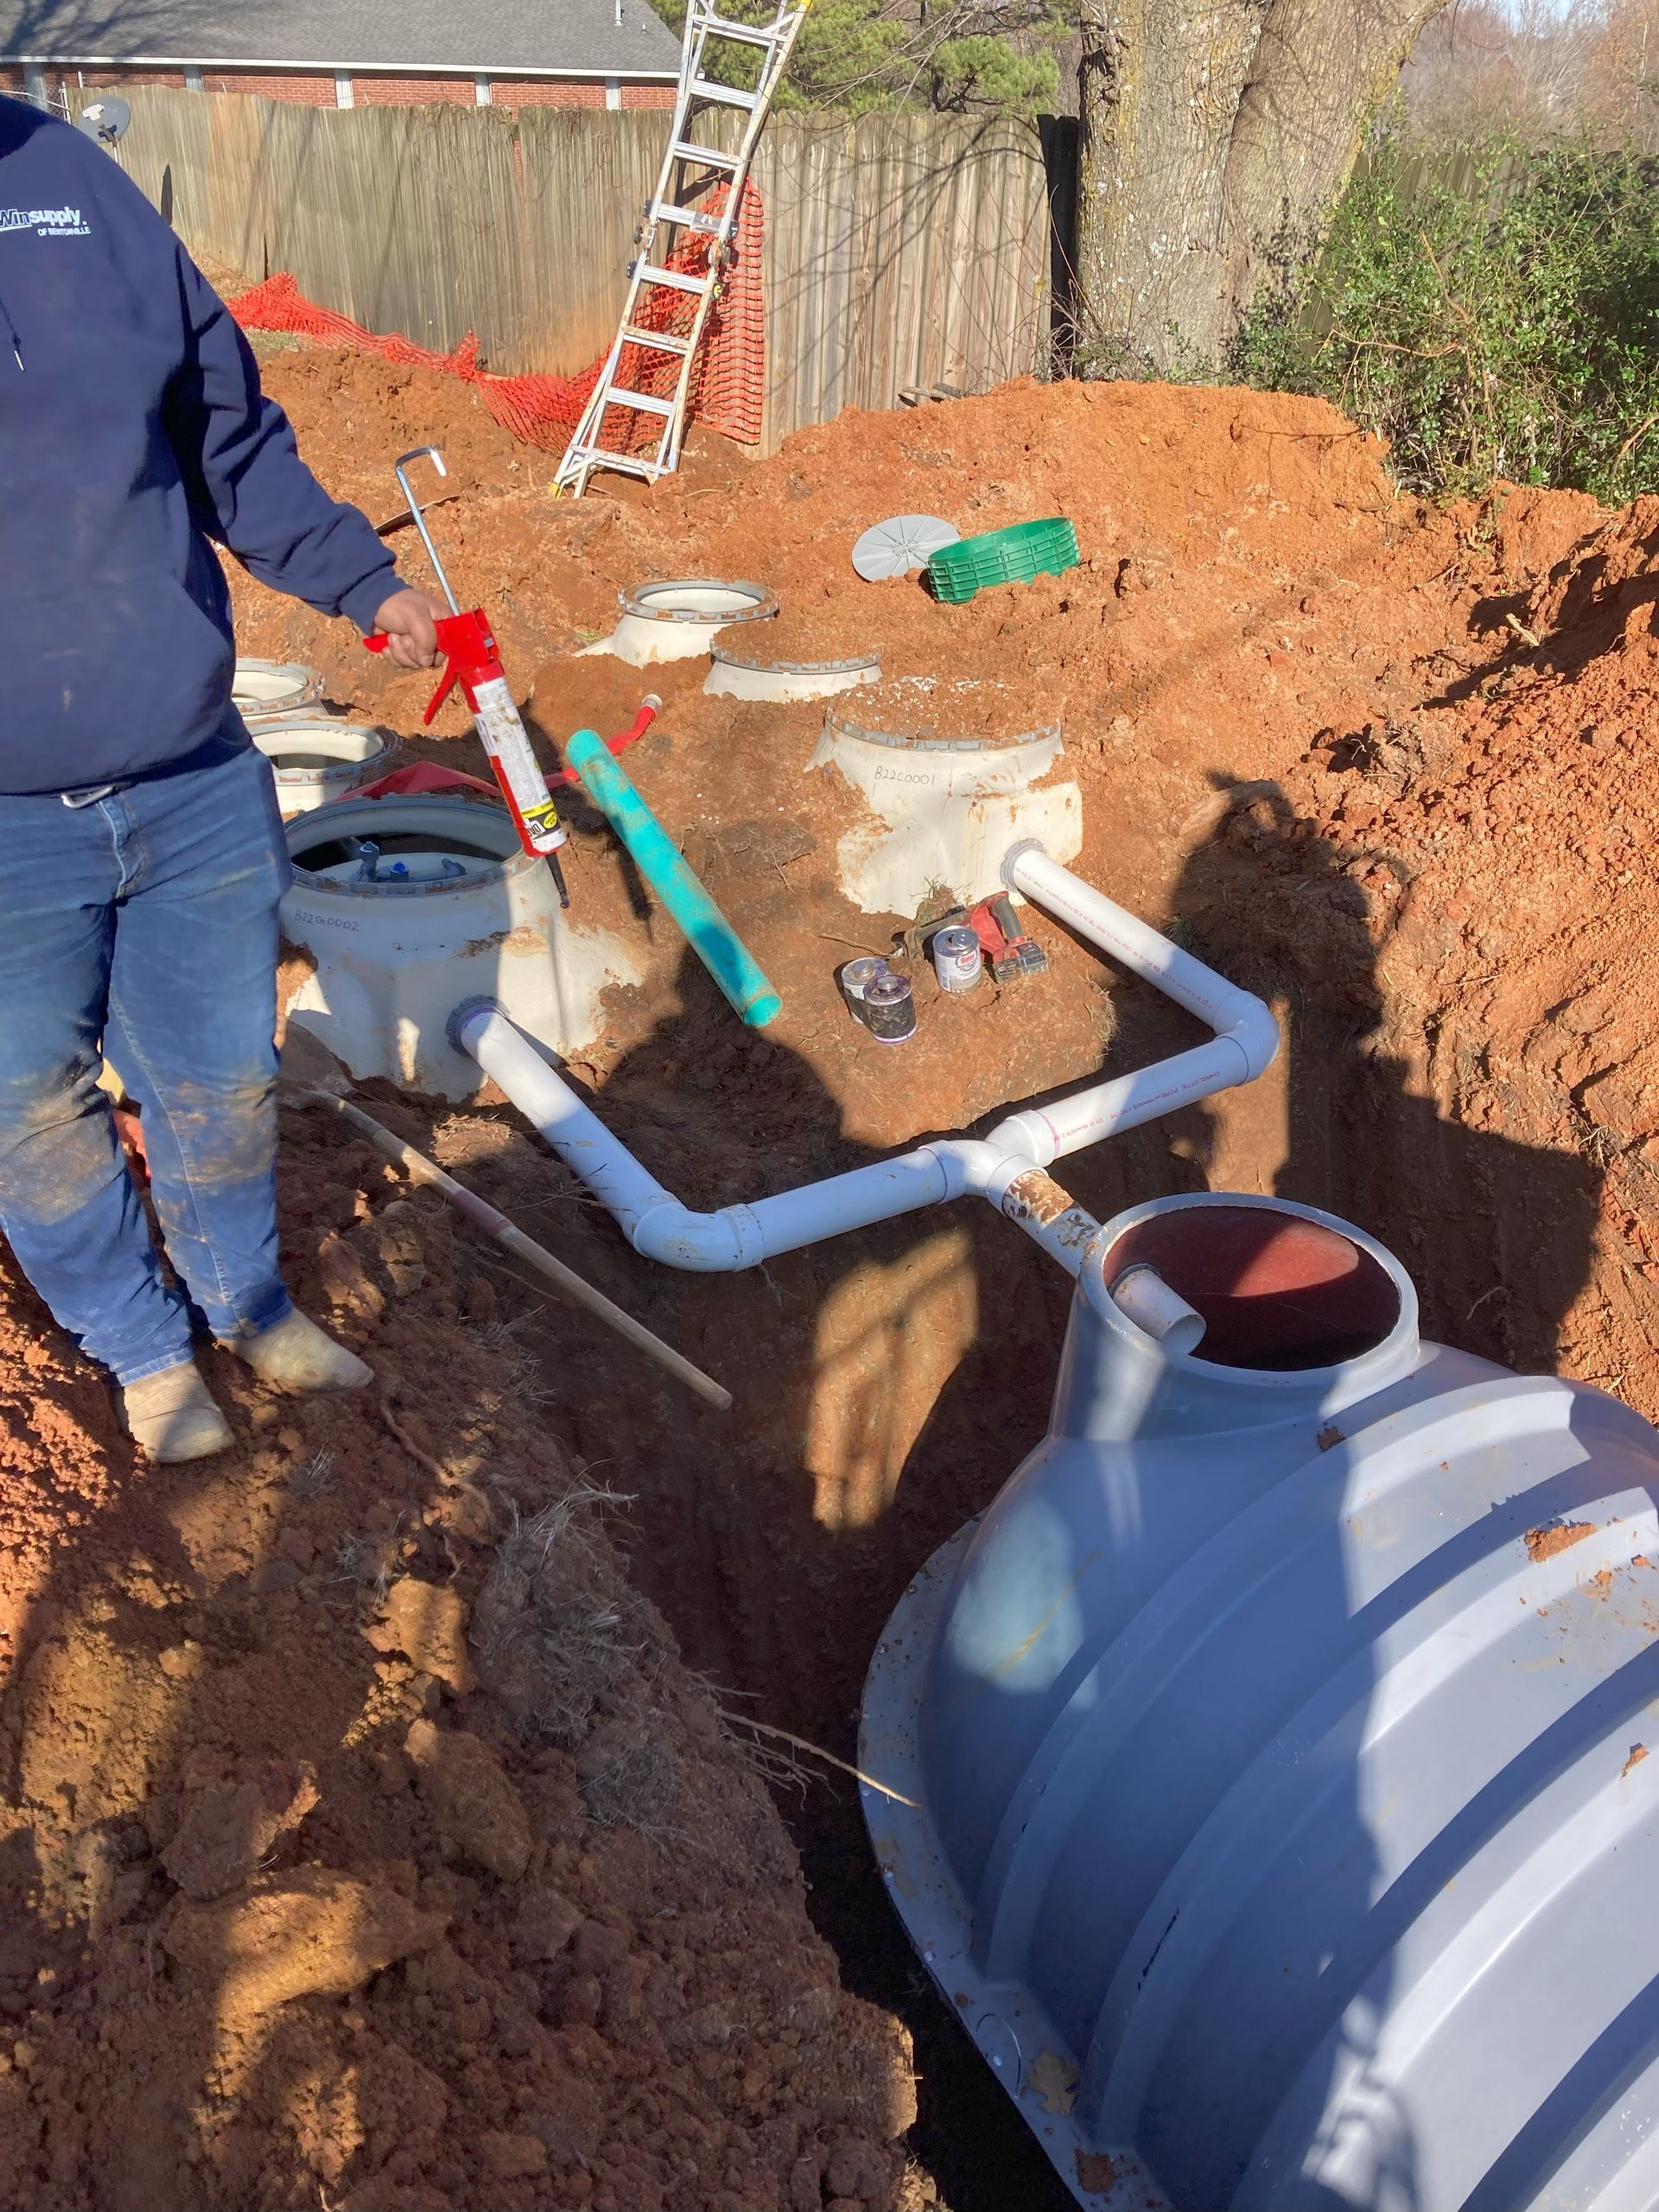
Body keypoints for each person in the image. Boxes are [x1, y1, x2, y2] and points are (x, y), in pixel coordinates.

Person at [0, 95, 449, 1464]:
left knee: (219, 1077)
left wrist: (365, 586)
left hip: (193, 777)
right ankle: (141, 1350)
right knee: (29, 1105)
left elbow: (225, 432)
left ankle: (246, 1300)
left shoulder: (72, 179)